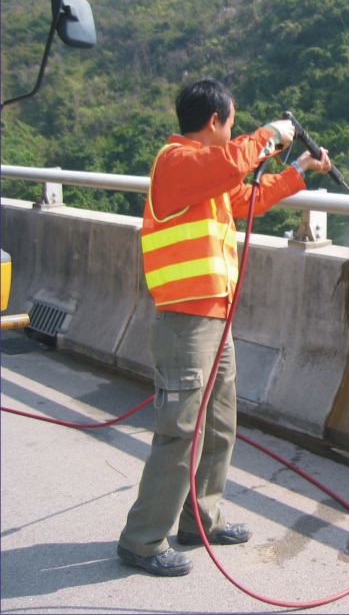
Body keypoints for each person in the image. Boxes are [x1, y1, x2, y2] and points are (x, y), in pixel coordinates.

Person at [117, 78, 331, 577]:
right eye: (231, 123)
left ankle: (200, 520)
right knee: (180, 432)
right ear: (214, 122)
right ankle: (143, 540)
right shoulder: (177, 163)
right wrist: (272, 135)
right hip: (186, 324)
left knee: (219, 425)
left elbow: (244, 199)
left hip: (215, 316)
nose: (233, 131)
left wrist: (298, 169)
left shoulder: (207, 178)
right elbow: (235, 162)